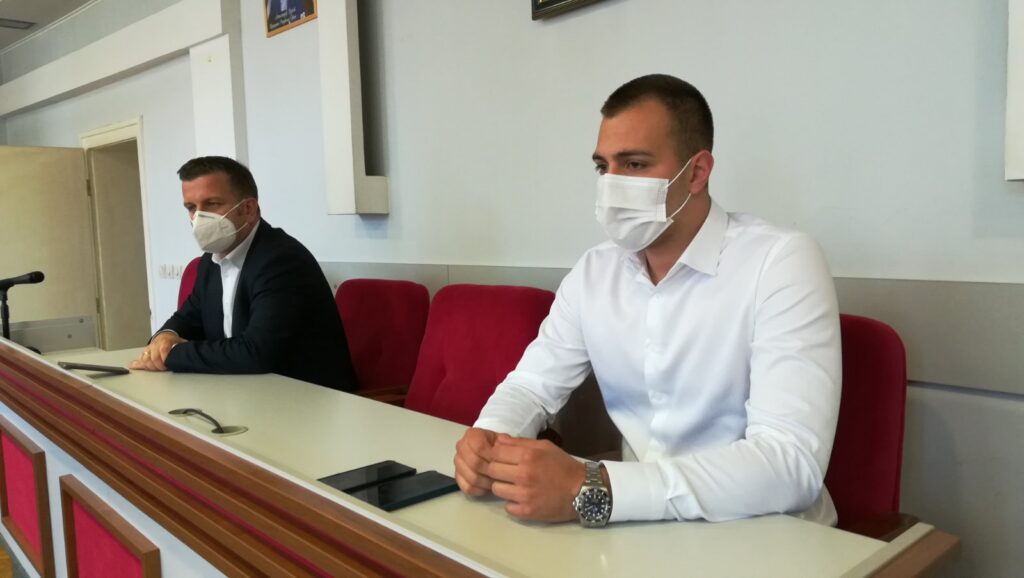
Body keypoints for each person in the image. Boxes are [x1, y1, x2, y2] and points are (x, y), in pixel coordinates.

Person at [453, 74, 842, 527]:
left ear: (697, 172)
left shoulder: (780, 261)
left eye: (635, 164)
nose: (612, 185)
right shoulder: (594, 272)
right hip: (637, 527)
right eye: (603, 168)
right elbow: (530, 386)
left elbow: (789, 464)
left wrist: (592, 487)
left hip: (766, 534)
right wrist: (490, 437)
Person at [129, 156, 357, 392]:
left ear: (248, 209)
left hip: (306, 396)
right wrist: (165, 337)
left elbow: (257, 352)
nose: (199, 218)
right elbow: (188, 318)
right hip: (242, 389)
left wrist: (172, 353)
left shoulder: (281, 260)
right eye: (191, 208)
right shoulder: (210, 261)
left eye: (212, 204)